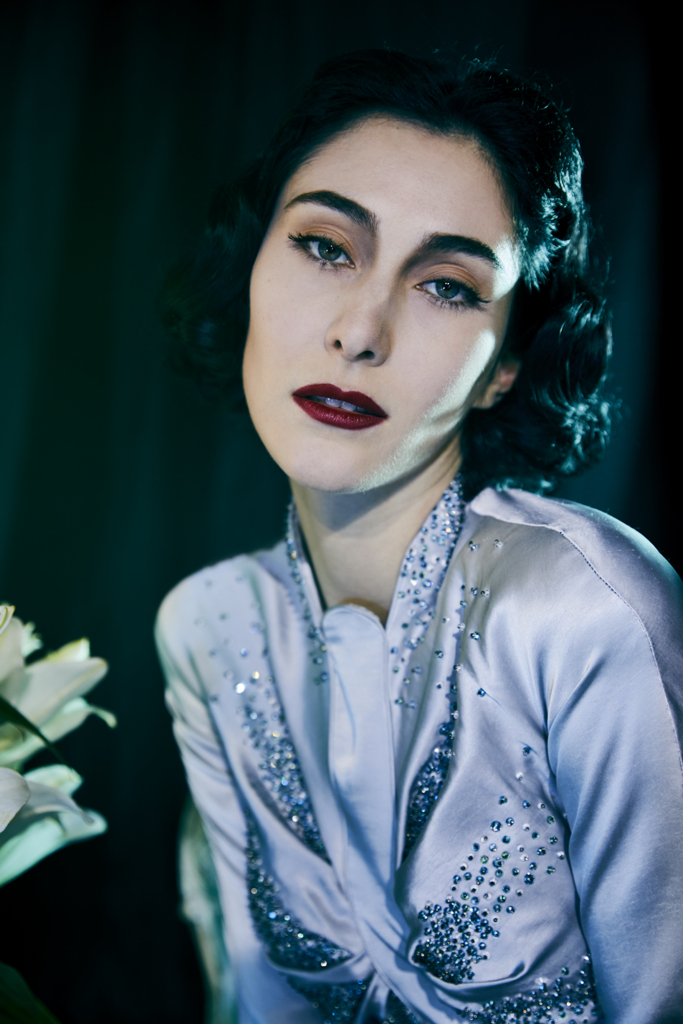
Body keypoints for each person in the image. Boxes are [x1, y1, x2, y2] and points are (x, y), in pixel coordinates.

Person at [155, 50, 683, 1024]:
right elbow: (253, 1000)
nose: (360, 331)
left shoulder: (580, 609)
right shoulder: (209, 625)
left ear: (504, 363)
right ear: (249, 263)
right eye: (325, 247)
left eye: (446, 286)